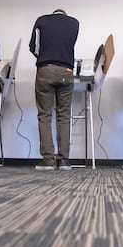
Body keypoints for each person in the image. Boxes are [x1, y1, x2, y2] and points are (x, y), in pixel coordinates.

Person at [29, 9, 79, 171]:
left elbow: (33, 47)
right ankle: (64, 160)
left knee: (44, 115)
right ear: (64, 14)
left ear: (53, 13)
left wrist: (44, 57)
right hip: (66, 70)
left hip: (45, 69)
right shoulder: (74, 22)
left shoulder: (42, 20)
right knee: (64, 115)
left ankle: (48, 160)